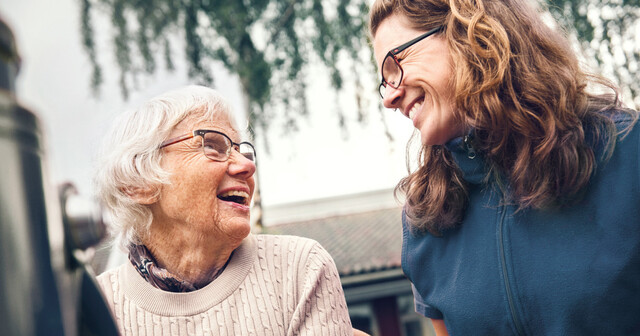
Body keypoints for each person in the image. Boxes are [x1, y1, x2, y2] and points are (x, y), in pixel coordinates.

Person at [369, 0, 640, 335]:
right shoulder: (426, 221)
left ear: (466, 33)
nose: (389, 98)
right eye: (384, 81)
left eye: (395, 64)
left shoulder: (629, 151)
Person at [94, 85, 357, 335]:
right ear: (138, 182)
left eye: (243, 151)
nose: (246, 166)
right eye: (212, 146)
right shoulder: (94, 307)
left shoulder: (299, 269)